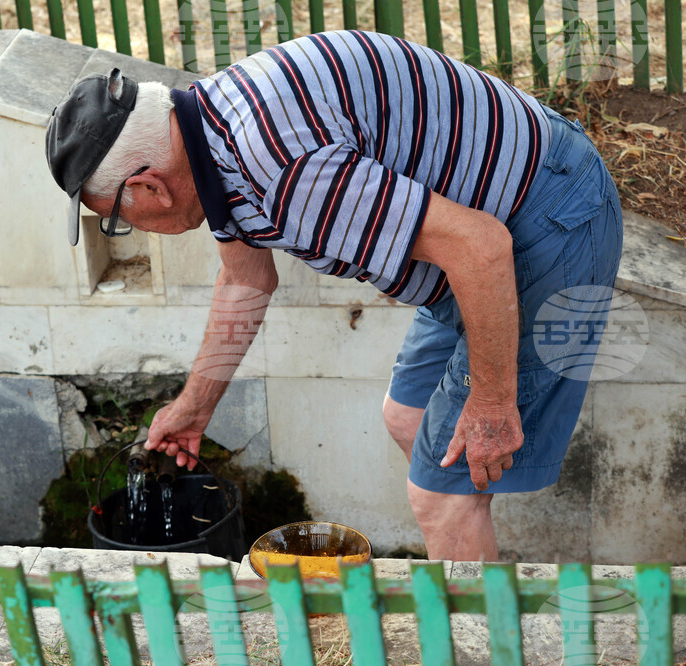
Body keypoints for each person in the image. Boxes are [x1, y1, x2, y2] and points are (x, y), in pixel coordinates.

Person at [45, 30, 622, 561]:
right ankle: (470, 562)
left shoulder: (280, 169)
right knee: (409, 419)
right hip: (475, 234)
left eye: (116, 218)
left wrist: (493, 401)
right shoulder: (205, 136)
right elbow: (246, 280)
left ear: (149, 186)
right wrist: (193, 407)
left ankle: (475, 615)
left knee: (441, 496)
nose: (128, 229)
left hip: (543, 219)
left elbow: (481, 247)